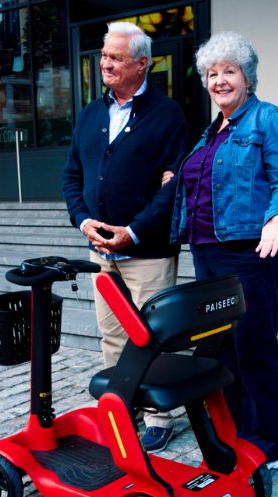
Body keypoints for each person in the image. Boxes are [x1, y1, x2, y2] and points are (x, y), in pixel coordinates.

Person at [169, 31, 278, 470]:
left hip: (253, 251)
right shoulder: (210, 132)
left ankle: (270, 442)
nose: (220, 80)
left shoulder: (270, 119)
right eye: (212, 73)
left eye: (230, 71)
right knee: (221, 348)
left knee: (255, 346)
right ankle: (233, 433)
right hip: (207, 251)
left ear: (248, 78)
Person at [62, 21, 188, 452]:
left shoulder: (167, 115)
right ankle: (124, 405)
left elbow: (173, 189)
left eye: (115, 57)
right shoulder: (92, 114)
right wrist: (84, 222)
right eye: (103, 56)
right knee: (112, 334)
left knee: (152, 335)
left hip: (148, 252)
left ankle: (159, 416)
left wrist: (132, 232)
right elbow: (72, 176)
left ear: (141, 64)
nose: (105, 64)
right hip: (102, 252)